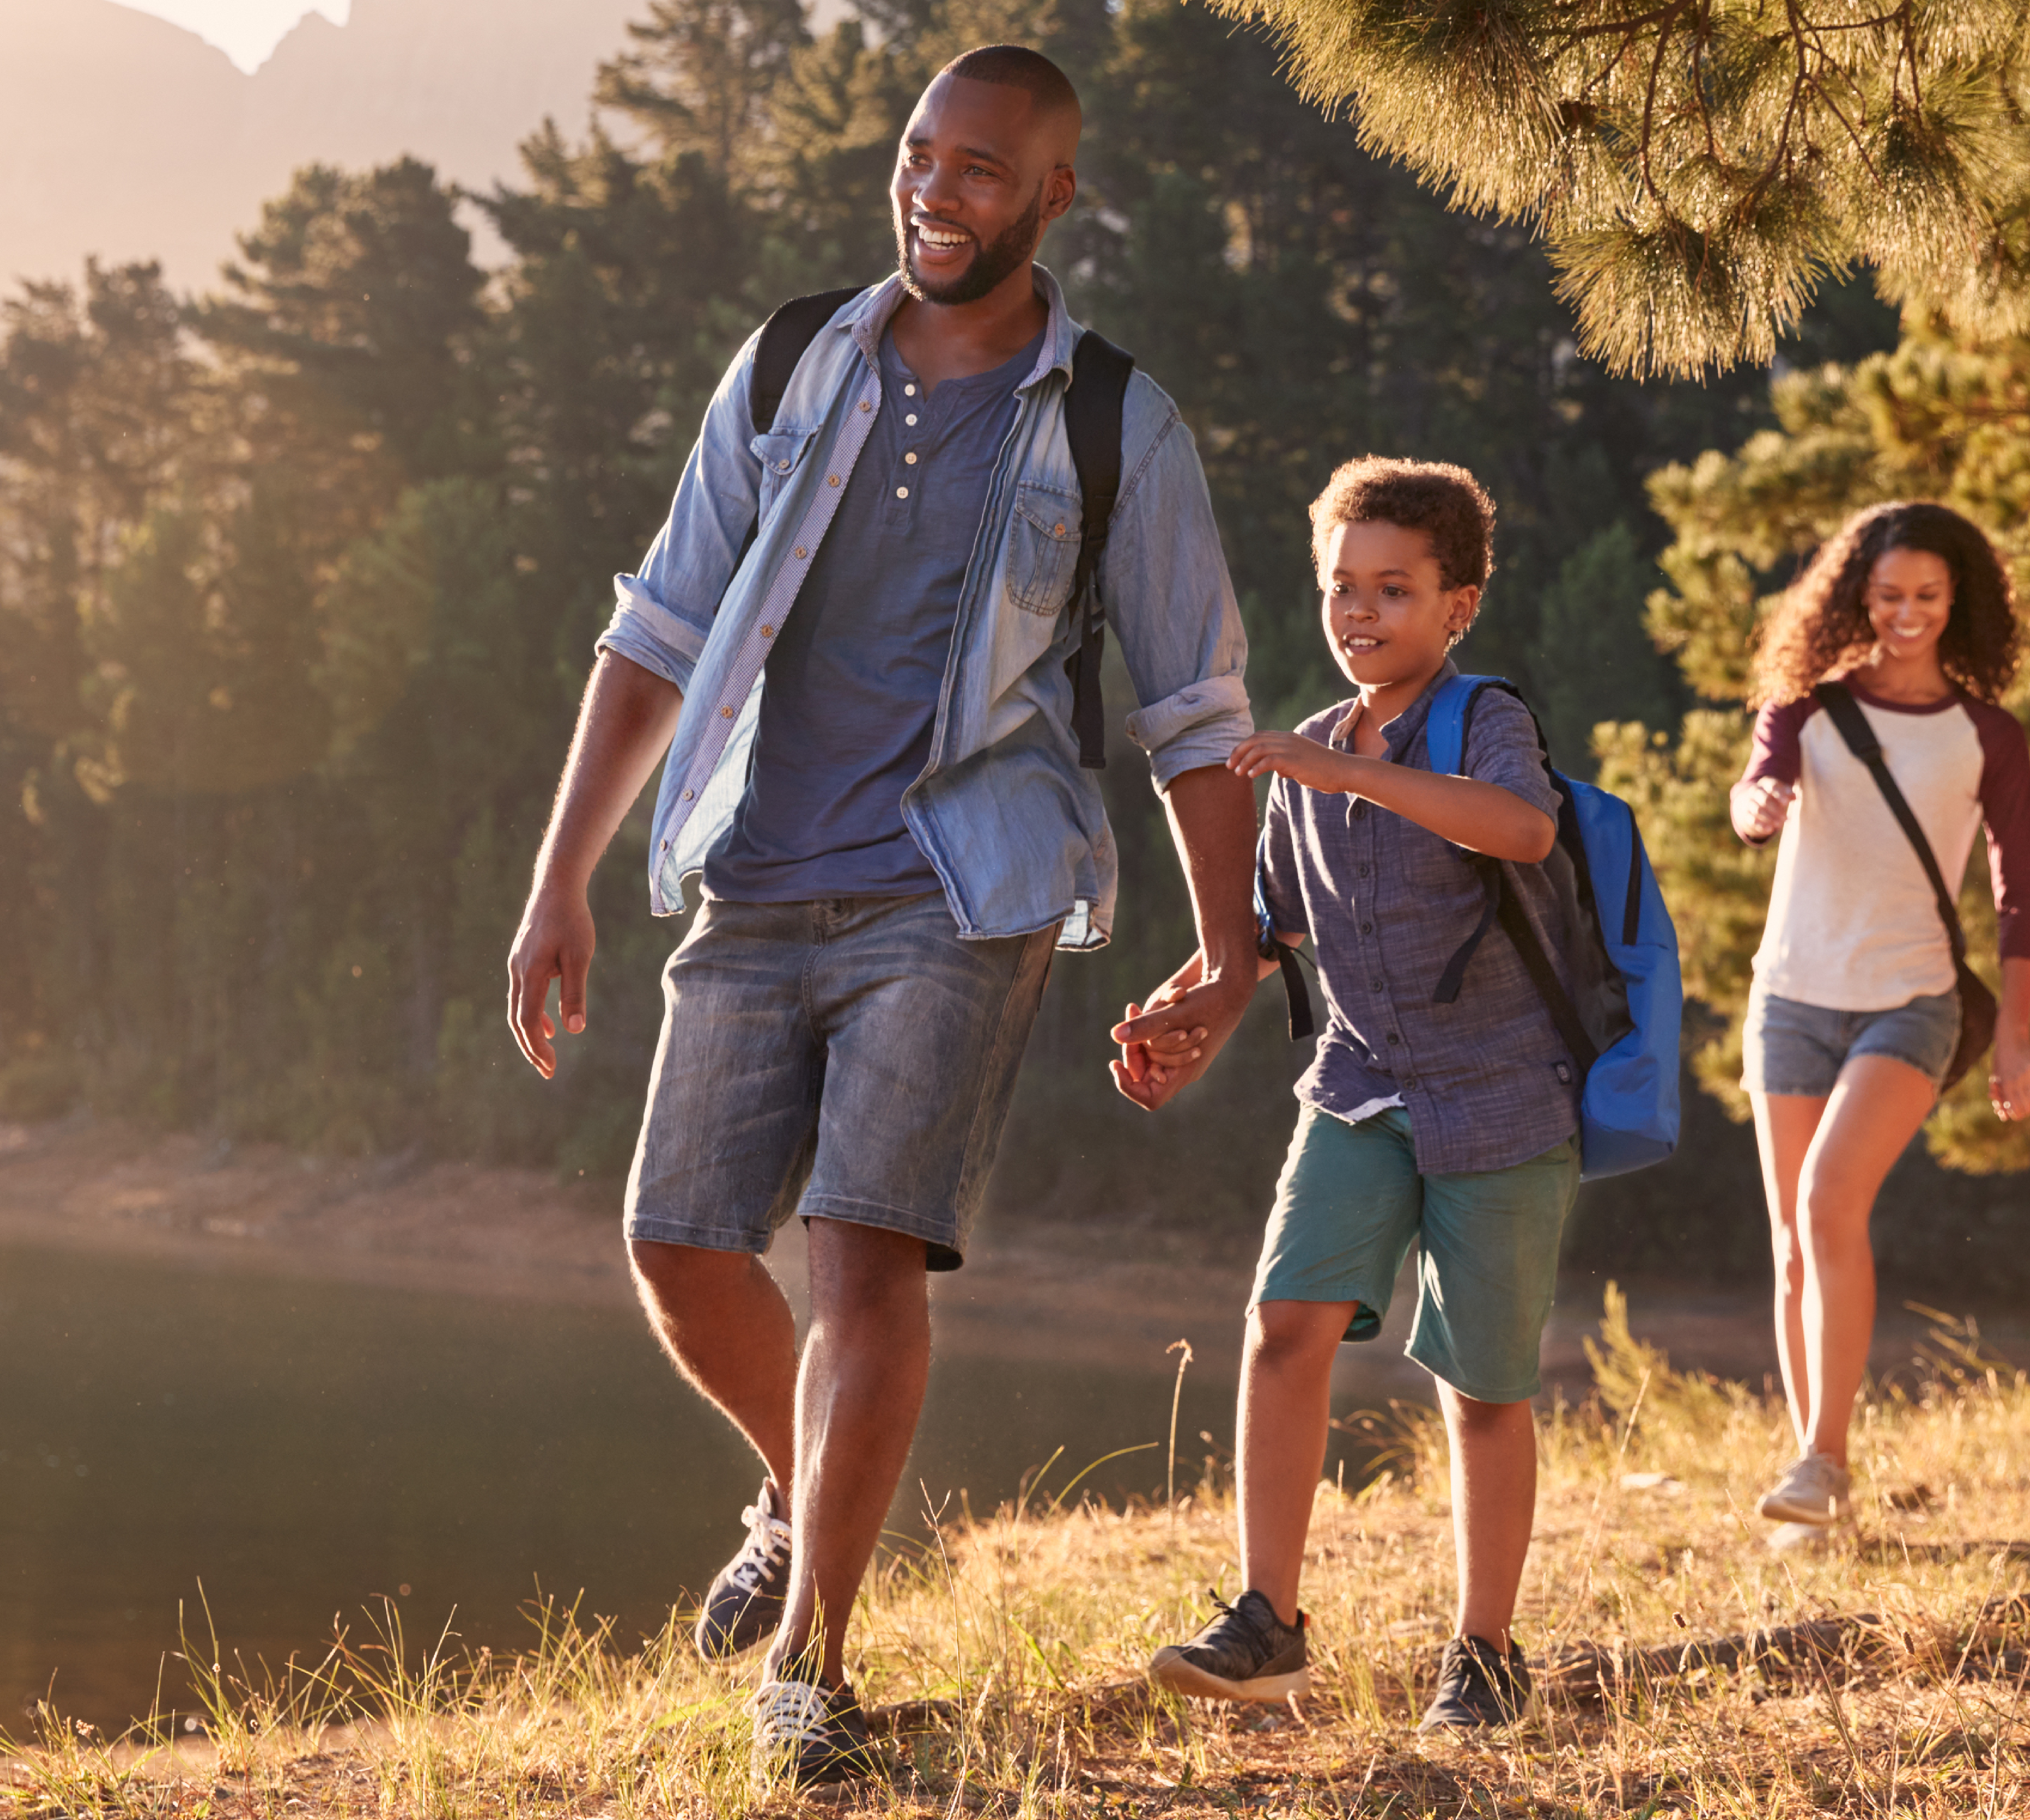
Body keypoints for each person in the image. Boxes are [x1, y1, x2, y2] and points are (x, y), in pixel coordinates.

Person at [500, 44, 1262, 1786]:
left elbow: (1196, 707)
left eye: (982, 169)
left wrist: (1227, 950)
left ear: (1055, 196)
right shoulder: (790, 361)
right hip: (756, 872)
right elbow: (658, 626)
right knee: (682, 1249)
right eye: (921, 155)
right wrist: (560, 879)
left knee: (861, 1247)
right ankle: (801, 1491)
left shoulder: (1111, 422)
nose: (936, 189)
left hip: (963, 887)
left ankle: (810, 1663)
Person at [1117, 458, 1579, 1731]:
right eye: (1341, 587)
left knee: (1480, 1388)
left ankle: (1483, 1652)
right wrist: (1185, 1016)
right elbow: (1262, 933)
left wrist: (1356, 779)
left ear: (1458, 605)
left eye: (1395, 588)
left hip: (1500, 1096)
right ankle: (1269, 1619)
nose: (1361, 612)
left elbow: (1522, 828)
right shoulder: (1308, 749)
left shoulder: (1480, 717)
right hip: (1361, 1086)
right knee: (1283, 1324)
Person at [1725, 503, 2030, 1545]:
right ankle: (1814, 1482)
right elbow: (1756, 789)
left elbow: (2020, 895)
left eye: (1927, 598)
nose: (1906, 615)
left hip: (1911, 1001)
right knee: (1789, 1246)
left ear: (1959, 606)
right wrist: (1756, 809)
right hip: (1790, 996)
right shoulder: (1806, 709)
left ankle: (1822, 1461)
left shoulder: (1986, 736)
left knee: (1828, 1201)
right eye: (1888, 596)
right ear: (1856, 596)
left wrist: (2012, 1034)